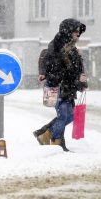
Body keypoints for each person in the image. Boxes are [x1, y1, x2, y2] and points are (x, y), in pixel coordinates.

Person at [33, 18, 87, 151]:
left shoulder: (71, 48)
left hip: (68, 88)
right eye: (76, 32)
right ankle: (49, 137)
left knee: (69, 116)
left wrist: (81, 80)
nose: (78, 35)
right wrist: (75, 78)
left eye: (79, 33)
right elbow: (58, 70)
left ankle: (47, 134)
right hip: (58, 88)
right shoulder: (57, 47)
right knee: (63, 116)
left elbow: (75, 69)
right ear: (68, 32)